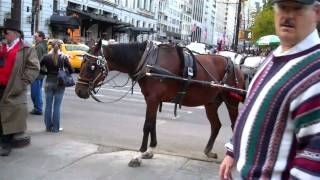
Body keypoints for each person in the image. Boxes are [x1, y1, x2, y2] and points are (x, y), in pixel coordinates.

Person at [219, 0, 320, 179]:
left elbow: (313, 162)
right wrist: (232, 151)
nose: (287, 15)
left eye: (297, 8)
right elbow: (250, 110)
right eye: (282, 7)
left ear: (316, 13)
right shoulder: (274, 57)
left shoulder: (315, 73)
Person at [0, 19, 40, 156]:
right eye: (3, 32)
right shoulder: (3, 46)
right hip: (0, 85)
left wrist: (21, 83)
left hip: (13, 87)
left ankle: (5, 144)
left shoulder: (26, 49)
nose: (4, 35)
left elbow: (34, 68)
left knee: (10, 116)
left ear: (16, 33)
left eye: (6, 32)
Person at [40, 40, 73, 133]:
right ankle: (55, 128)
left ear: (51, 47)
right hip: (60, 83)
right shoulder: (63, 57)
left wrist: (46, 73)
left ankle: (48, 127)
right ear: (60, 47)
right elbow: (71, 70)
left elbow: (38, 67)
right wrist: (65, 72)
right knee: (57, 106)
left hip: (48, 82)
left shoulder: (46, 57)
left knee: (48, 106)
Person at [30, 31, 47, 115]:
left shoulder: (39, 46)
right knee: (38, 91)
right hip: (41, 72)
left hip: (37, 72)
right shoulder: (43, 45)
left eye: (36, 37)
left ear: (41, 37)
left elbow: (37, 61)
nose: (34, 38)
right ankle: (38, 107)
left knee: (35, 92)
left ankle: (38, 108)